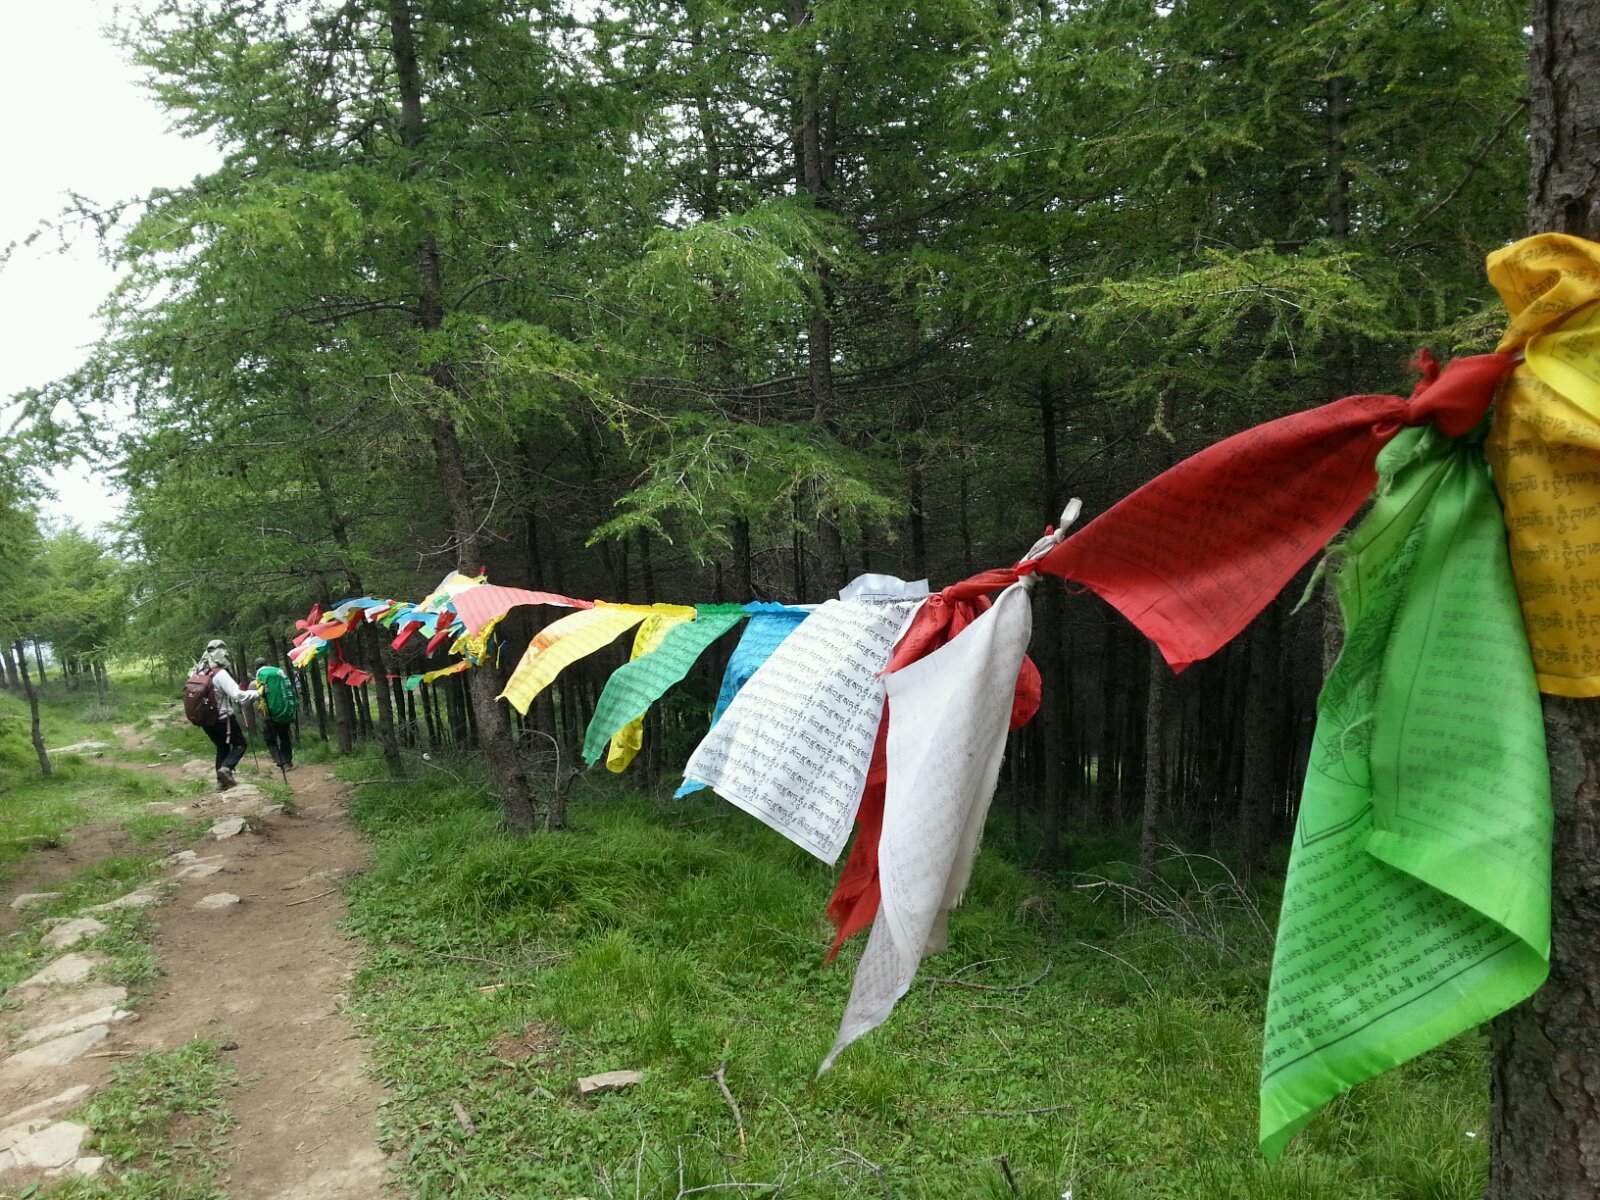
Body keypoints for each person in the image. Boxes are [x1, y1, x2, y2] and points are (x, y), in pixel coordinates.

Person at [193, 639, 257, 790]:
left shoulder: (196, 672)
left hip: (205, 720)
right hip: (223, 718)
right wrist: (257, 693)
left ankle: (221, 782)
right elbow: (238, 695)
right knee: (240, 744)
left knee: (222, 747)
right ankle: (226, 769)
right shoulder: (220, 674)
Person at [252, 657, 298, 771]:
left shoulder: (258, 679)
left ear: (256, 668)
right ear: (268, 663)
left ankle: (279, 761)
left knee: (270, 738)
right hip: (283, 710)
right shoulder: (279, 673)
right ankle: (287, 761)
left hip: (267, 713)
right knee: (284, 736)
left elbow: (253, 695)